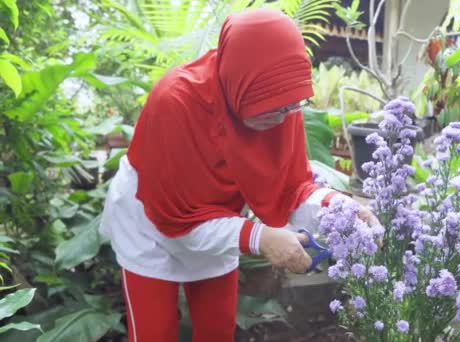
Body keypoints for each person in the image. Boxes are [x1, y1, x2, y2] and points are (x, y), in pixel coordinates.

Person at [99, 8, 378, 342]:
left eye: (290, 106)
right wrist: (260, 237)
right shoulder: (175, 101)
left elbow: (291, 190)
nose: (282, 118)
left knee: (217, 330)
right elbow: (179, 221)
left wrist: (338, 210)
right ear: (238, 81)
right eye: (273, 107)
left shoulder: (282, 104)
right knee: (153, 333)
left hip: (222, 219)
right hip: (152, 218)